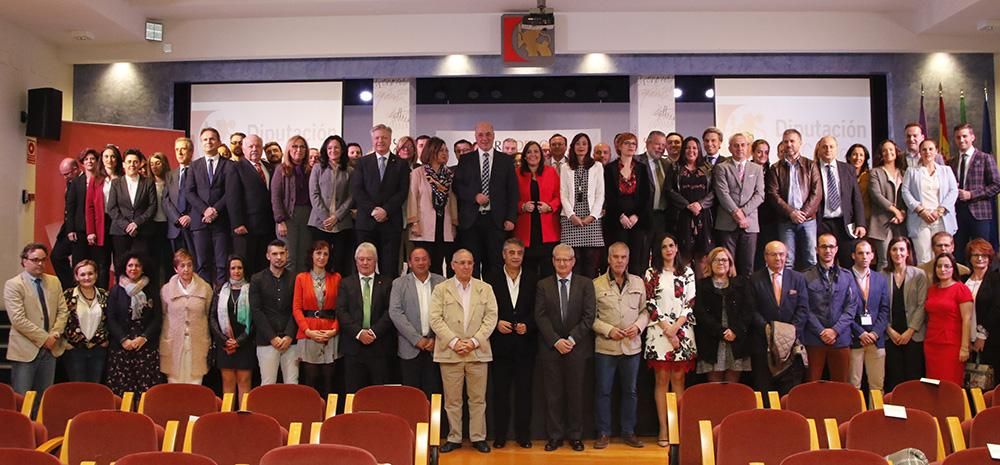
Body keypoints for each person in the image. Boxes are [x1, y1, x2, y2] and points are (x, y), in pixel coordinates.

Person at [431, 249, 498, 454]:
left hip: (477, 352)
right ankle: (454, 437)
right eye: (461, 263)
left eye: (469, 263)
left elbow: (491, 317)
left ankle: (478, 437)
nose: (466, 266)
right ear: (452, 265)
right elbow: (435, 318)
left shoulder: (485, 288)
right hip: (450, 353)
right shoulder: (441, 289)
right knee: (452, 400)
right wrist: (454, 341)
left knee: (478, 399)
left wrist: (474, 341)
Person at [535, 244, 595, 452]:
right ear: (552, 261)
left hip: (576, 348)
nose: (562, 263)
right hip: (551, 349)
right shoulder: (543, 285)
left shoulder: (586, 284)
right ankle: (555, 436)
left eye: (566, 260)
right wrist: (555, 341)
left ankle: (576, 436)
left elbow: (589, 317)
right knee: (553, 395)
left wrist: (570, 339)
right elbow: (540, 316)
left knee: (576, 394)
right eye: (558, 260)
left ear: (573, 261)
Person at [592, 242, 647, 449]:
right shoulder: (596, 284)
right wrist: (608, 330)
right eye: (615, 257)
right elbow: (590, 317)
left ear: (628, 259)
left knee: (630, 391)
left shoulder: (638, 282)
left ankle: (628, 431)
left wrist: (638, 327)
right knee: (603, 391)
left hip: (631, 346)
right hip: (606, 347)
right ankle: (604, 432)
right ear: (608, 259)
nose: (619, 261)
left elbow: (645, 311)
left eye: (623, 257)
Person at [643, 234, 696, 445]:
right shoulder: (651, 272)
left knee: (679, 380)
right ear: (659, 250)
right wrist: (667, 329)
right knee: (661, 380)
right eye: (664, 246)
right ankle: (664, 429)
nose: (668, 249)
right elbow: (650, 303)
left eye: (672, 245)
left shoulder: (688, 272)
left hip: (682, 330)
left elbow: (689, 302)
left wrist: (676, 329)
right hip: (659, 331)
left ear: (677, 248)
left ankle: (677, 429)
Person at [484, 238, 536, 449]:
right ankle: (500, 436)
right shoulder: (490, 278)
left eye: (519, 253)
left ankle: (523, 436)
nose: (516, 257)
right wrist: (496, 323)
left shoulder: (533, 278)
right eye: (511, 253)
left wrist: (528, 325)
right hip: (500, 345)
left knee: (524, 392)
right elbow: (484, 308)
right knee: (500, 393)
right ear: (503, 254)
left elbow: (538, 310)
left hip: (525, 345)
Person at [4, 243, 69, 401]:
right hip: (25, 349)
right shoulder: (14, 285)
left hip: (50, 348)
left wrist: (54, 334)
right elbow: (18, 320)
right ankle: (23, 427)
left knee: (44, 398)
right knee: (22, 398)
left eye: (43, 260)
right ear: (24, 261)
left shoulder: (54, 281)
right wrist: (44, 338)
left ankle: (39, 426)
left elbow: (63, 311)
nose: (40, 264)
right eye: (35, 260)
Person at [454, 121, 519, 277]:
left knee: (495, 266)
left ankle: (493, 301)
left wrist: (511, 218)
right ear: (475, 137)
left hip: (496, 222)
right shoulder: (465, 160)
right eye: (481, 135)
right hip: (471, 222)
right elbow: (457, 187)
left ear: (494, 136)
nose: (484, 138)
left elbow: (513, 191)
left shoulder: (506, 161)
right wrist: (474, 196)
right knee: (471, 265)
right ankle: (473, 301)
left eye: (488, 134)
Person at [749, 241, 808, 394]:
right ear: (765, 257)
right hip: (764, 345)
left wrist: (790, 331)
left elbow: (803, 309)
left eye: (781, 254)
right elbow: (752, 310)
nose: (778, 258)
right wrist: (768, 330)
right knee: (764, 392)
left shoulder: (797, 278)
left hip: (791, 346)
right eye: (773, 254)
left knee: (790, 394)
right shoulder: (754, 279)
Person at [352, 124, 410, 281]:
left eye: (384, 137)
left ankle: (387, 304)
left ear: (390, 139)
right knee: (364, 267)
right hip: (366, 223)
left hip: (390, 224)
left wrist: (386, 211)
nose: (380, 141)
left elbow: (402, 192)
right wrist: (374, 210)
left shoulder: (401, 164)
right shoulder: (362, 163)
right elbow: (357, 191)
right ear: (372, 139)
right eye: (377, 137)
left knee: (389, 269)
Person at [801, 233, 861, 382]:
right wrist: (821, 331)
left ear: (836, 249)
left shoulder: (847, 276)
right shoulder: (805, 276)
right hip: (814, 338)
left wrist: (835, 330)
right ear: (816, 249)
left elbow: (851, 307)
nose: (827, 250)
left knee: (840, 385)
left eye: (831, 246)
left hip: (840, 339)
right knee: (811, 385)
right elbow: (804, 308)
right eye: (823, 246)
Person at [337, 242, 394, 391]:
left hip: (379, 346)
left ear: (375, 261)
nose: (365, 262)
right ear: (356, 261)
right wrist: (359, 333)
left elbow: (390, 311)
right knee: (353, 392)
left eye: (369, 259)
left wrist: (373, 332)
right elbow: (341, 312)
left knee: (380, 393)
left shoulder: (387, 283)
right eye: (361, 259)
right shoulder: (346, 283)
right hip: (353, 347)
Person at [389, 247, 446, 397]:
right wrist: (417, 339)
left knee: (435, 395)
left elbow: (447, 313)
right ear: (409, 263)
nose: (421, 263)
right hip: (409, 347)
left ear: (430, 261)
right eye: (417, 259)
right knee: (411, 397)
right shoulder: (399, 284)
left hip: (436, 347)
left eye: (424, 259)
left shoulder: (442, 282)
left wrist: (435, 338)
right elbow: (395, 313)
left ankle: (433, 422)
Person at [106, 253, 163, 396]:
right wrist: (124, 340)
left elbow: (157, 319)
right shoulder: (116, 291)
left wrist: (143, 338)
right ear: (124, 268)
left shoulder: (152, 290)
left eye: (137, 265)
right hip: (121, 348)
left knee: (145, 393)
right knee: (122, 393)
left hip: (145, 347)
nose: (133, 268)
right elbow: (111, 319)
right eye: (130, 265)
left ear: (143, 269)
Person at [694, 247, 753, 384]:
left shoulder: (742, 283)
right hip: (712, 340)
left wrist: (735, 331)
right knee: (714, 386)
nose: (721, 263)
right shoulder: (702, 285)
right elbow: (700, 313)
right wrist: (721, 332)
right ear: (710, 263)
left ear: (730, 263)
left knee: (733, 385)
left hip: (736, 340)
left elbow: (748, 309)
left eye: (724, 260)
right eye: (716, 260)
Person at [187, 127, 237, 284]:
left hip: (221, 221)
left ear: (219, 142)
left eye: (212, 139)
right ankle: (206, 300)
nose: (209, 142)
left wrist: (215, 210)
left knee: (222, 264)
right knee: (202, 264)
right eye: (205, 139)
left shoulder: (229, 165)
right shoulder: (194, 166)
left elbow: (230, 193)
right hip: (199, 222)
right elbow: (189, 192)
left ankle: (220, 301)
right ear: (201, 143)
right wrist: (205, 210)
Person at [766, 129, 822, 269]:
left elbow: (817, 192)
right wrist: (791, 213)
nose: (789, 144)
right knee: (787, 261)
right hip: (786, 220)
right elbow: (773, 194)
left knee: (811, 259)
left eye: (792, 141)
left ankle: (812, 291)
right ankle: (787, 291)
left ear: (800, 143)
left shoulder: (811, 165)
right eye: (786, 142)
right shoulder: (775, 168)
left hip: (808, 220)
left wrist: (803, 213)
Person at [293, 241, 343, 398]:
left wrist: (334, 330)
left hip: (330, 332)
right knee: (310, 379)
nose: (321, 257)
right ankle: (312, 415)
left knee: (330, 380)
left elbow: (341, 309)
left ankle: (329, 417)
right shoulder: (301, 278)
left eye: (325, 254)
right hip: (309, 331)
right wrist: (308, 331)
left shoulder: (336, 278)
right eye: (318, 253)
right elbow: (296, 308)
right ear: (311, 255)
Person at [713, 132, 766, 276]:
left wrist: (743, 213)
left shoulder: (757, 169)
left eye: (743, 145)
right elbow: (722, 193)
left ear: (748, 148)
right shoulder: (721, 167)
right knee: (727, 266)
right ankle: (730, 298)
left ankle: (747, 298)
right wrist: (736, 213)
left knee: (748, 267)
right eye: (736, 145)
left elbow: (760, 194)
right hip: (727, 223)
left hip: (750, 224)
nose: (740, 148)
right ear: (729, 148)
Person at [160, 247, 213, 385]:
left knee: (195, 386)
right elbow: (163, 314)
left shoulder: (205, 288)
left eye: (189, 265)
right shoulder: (166, 290)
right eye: (182, 266)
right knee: (174, 386)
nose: (186, 269)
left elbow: (208, 314)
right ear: (175, 269)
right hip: (173, 345)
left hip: (197, 344)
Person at [901, 139, 958, 265]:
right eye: (924, 149)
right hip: (920, 220)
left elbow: (953, 191)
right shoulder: (911, 171)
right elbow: (905, 192)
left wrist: (940, 210)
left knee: (944, 258)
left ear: (936, 151)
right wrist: (920, 210)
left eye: (931, 149)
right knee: (924, 259)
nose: (928, 152)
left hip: (941, 219)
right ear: (920, 152)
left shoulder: (946, 170)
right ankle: (926, 285)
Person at [882, 236, 928, 391]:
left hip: (913, 335)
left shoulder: (919, 274)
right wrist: (889, 330)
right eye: (894, 249)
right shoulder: (882, 275)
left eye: (902, 249)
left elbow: (922, 305)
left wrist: (910, 330)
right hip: (891, 335)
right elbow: (879, 307)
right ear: (889, 252)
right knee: (894, 379)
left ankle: (915, 413)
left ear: (908, 252)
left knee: (913, 379)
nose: (898, 253)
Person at [604, 132, 652, 276]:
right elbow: (609, 195)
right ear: (619, 146)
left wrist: (636, 216)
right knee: (618, 257)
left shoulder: (641, 168)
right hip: (617, 220)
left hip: (637, 219)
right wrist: (621, 216)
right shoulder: (610, 168)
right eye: (627, 143)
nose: (631, 146)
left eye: (633, 144)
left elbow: (646, 195)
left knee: (636, 259)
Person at [408, 137, 457, 277]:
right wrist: (414, 222)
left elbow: (452, 200)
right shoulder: (418, 173)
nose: (445, 153)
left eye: (446, 150)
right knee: (423, 265)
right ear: (431, 151)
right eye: (441, 150)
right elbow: (413, 198)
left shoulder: (448, 175)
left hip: (443, 224)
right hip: (423, 227)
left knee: (438, 265)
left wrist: (453, 223)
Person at [251, 240, 298, 385]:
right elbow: (256, 311)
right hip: (266, 341)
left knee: (292, 384)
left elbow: (296, 309)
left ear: (287, 254)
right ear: (267, 256)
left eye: (282, 253)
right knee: (267, 384)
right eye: (275, 254)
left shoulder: (295, 278)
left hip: (291, 342)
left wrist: (289, 335)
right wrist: (272, 337)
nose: (279, 257)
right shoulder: (257, 279)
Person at [814, 136, 867, 266]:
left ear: (836, 149)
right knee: (823, 262)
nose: (828, 149)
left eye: (831, 146)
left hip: (844, 223)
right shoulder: (812, 168)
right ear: (819, 149)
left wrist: (860, 223)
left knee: (848, 261)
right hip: (821, 222)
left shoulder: (847, 169)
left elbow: (856, 198)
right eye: (824, 147)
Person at [666, 136, 715, 276]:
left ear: (699, 150)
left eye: (694, 148)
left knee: (702, 257)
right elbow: (669, 190)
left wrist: (700, 204)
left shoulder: (708, 169)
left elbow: (714, 191)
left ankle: (702, 294)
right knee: (684, 255)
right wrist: (687, 205)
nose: (691, 150)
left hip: (703, 216)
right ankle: (685, 294)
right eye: (687, 147)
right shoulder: (675, 168)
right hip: (682, 216)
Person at [107, 148, 158, 279]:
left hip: (142, 232)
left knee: (143, 266)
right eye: (129, 162)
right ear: (123, 164)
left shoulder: (148, 182)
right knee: (120, 266)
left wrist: (136, 223)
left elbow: (152, 207)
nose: (132, 165)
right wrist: (126, 225)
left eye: (135, 162)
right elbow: (112, 208)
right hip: (120, 232)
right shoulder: (116, 183)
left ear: (140, 163)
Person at [951, 123, 1000, 259]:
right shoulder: (952, 162)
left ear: (973, 137)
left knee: (981, 253)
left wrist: (972, 194)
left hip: (980, 214)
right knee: (959, 253)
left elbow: (996, 185)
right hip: (958, 215)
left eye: (965, 136)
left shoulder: (985, 158)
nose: (961, 140)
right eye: (958, 137)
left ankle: (984, 280)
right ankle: (963, 280)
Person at [559, 132, 605, 278]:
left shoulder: (597, 166)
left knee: (590, 266)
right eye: (578, 143)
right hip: (571, 219)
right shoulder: (566, 167)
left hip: (591, 219)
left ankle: (589, 298)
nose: (581, 147)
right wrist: (571, 215)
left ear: (589, 146)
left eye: (584, 143)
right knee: (573, 265)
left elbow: (600, 194)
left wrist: (592, 216)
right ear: (573, 146)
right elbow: (563, 194)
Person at [209, 255, 255, 399]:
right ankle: (227, 419)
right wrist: (224, 340)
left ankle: (245, 419)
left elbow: (256, 319)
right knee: (228, 383)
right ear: (228, 270)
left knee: (244, 382)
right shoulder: (220, 290)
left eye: (239, 268)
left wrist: (239, 341)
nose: (236, 271)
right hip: (225, 345)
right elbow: (212, 318)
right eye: (233, 268)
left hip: (245, 344)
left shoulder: (252, 290)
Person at [307, 135, 354, 276]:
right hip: (319, 223)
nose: (333, 150)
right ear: (325, 150)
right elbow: (314, 194)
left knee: (339, 261)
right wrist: (326, 217)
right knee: (320, 261)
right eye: (330, 148)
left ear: (342, 150)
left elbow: (352, 197)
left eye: (336, 147)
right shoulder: (317, 168)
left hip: (342, 224)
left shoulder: (350, 171)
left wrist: (336, 217)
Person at [923, 253, 973, 385]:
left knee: (949, 384)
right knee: (932, 384)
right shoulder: (932, 289)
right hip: (931, 342)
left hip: (952, 345)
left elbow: (967, 320)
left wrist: (964, 347)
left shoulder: (961, 289)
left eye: (947, 266)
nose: (942, 269)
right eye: (939, 266)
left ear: (953, 269)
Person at [230, 134, 277, 276]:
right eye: (251, 146)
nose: (254, 149)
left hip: (267, 227)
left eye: (257, 146)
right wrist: (237, 223)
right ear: (243, 149)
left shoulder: (270, 168)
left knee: (263, 267)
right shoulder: (236, 168)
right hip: (246, 228)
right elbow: (233, 197)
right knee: (248, 266)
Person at [848, 239, 890, 391]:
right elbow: (843, 311)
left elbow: (885, 310)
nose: (864, 257)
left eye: (867, 253)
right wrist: (861, 333)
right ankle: (855, 415)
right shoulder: (845, 277)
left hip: (876, 339)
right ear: (853, 255)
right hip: (854, 339)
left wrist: (874, 333)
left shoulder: (880, 278)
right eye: (860, 253)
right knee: (854, 385)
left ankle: (876, 414)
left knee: (877, 385)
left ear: (873, 256)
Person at [515, 141, 560, 279]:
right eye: (529, 152)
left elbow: (559, 196)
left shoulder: (551, 172)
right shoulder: (516, 174)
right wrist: (522, 206)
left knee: (548, 272)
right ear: (524, 156)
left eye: (536, 151)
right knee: (528, 273)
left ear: (541, 155)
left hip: (548, 230)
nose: (533, 155)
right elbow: (510, 198)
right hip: (525, 231)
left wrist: (550, 206)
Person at [271, 134, 313, 275]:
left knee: (303, 258)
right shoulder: (281, 169)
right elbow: (275, 197)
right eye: (295, 146)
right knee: (289, 259)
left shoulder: (310, 170)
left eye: (302, 147)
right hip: (288, 217)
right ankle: (288, 294)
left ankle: (300, 294)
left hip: (307, 216)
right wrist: (280, 220)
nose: (298, 150)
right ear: (288, 149)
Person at [60, 260, 109, 383]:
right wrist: (65, 342)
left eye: (90, 273)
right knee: (78, 389)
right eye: (82, 274)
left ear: (96, 275)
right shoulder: (68, 295)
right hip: (75, 350)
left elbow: (111, 319)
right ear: (76, 276)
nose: (87, 277)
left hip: (98, 349)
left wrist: (106, 340)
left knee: (95, 388)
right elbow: (60, 318)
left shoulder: (104, 295)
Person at [86, 144, 123, 288]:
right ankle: (102, 300)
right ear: (102, 159)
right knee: (102, 264)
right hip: (101, 224)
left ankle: (119, 299)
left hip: (119, 222)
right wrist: (91, 231)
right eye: (106, 156)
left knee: (120, 262)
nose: (109, 159)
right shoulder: (95, 180)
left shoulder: (123, 178)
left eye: (113, 156)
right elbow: (89, 207)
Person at [868, 139, 908, 270]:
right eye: (884, 150)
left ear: (896, 152)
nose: (888, 152)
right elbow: (876, 195)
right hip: (881, 222)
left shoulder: (903, 173)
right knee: (884, 260)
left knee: (901, 259)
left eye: (891, 149)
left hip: (900, 222)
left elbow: (907, 195)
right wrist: (895, 211)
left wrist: (902, 212)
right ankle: (882, 290)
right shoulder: (875, 172)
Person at [65, 150, 99, 277]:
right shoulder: (76, 182)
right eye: (86, 159)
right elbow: (70, 207)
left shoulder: (102, 181)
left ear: (97, 161)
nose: (89, 161)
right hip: (79, 230)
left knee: (96, 264)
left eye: (92, 159)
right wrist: (70, 229)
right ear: (82, 163)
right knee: (79, 264)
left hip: (98, 230)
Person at [163, 138, 197, 260]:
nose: (179, 153)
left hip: (193, 226)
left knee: (194, 263)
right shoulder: (170, 175)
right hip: (175, 228)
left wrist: (190, 216)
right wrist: (177, 218)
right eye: (177, 149)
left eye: (183, 149)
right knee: (178, 265)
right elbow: (166, 200)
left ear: (191, 152)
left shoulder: (199, 171)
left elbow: (203, 198)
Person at [968, 239, 1000, 366]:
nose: (980, 258)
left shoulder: (996, 279)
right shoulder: (964, 280)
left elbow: (997, 308)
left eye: (984, 255)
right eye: (975, 255)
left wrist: (982, 335)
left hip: (990, 338)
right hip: (966, 338)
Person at [53, 157, 81, 289]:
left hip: (80, 229)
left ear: (75, 170)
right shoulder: (70, 183)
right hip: (67, 228)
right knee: (56, 256)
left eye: (67, 174)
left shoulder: (83, 182)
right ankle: (69, 287)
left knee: (78, 262)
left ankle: (76, 290)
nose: (65, 177)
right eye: (63, 175)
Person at [147, 152, 172, 282]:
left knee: (168, 260)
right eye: (151, 164)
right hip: (153, 225)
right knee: (154, 260)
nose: (154, 167)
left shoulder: (171, 181)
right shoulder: (147, 183)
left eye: (158, 163)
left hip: (169, 225)